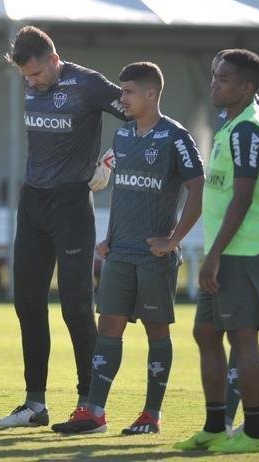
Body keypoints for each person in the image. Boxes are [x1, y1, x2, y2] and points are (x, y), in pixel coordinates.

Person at [52, 62, 203, 437]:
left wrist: (173, 240)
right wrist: (109, 237)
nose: (122, 99)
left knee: (156, 332)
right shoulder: (122, 137)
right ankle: (95, 412)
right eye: (121, 92)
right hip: (120, 252)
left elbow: (199, 190)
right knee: (108, 330)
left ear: (151, 94)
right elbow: (122, 195)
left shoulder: (176, 137)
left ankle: (151, 415)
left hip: (154, 256)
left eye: (128, 92)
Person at [0, 26, 126, 429]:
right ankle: (35, 404)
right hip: (33, 202)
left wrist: (110, 161)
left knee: (76, 306)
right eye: (25, 78)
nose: (30, 83)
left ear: (53, 59)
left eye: (35, 74)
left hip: (71, 203)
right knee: (27, 302)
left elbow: (142, 113)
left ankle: (90, 405)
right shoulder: (35, 81)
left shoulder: (87, 84)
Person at [174, 49, 259, 454]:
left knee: (242, 340)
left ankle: (254, 433)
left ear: (247, 88)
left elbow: (243, 198)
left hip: (243, 252)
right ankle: (215, 425)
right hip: (225, 251)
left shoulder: (249, 130)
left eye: (223, 78)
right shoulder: (229, 125)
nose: (214, 83)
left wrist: (215, 254)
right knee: (205, 333)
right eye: (214, 75)